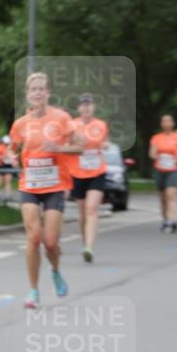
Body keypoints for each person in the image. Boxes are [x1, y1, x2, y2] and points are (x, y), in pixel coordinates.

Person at [9, 72, 82, 308]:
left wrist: (60, 147)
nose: (38, 93)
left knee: (50, 242)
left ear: (48, 93)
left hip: (55, 186)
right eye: (33, 89)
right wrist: (11, 157)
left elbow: (80, 146)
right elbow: (12, 148)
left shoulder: (61, 118)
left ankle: (56, 270)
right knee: (33, 237)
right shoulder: (21, 124)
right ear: (28, 94)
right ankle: (33, 291)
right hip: (29, 185)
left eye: (42, 89)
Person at [69, 94, 109, 262]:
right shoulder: (71, 125)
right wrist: (76, 145)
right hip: (77, 173)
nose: (86, 108)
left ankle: (89, 248)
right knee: (82, 213)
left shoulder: (101, 125)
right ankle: (84, 242)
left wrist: (105, 145)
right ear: (79, 108)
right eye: (83, 105)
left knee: (92, 208)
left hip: (97, 172)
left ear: (94, 107)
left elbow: (106, 142)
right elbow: (67, 146)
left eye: (89, 104)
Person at [149, 114, 177, 232]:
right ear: (161, 124)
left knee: (171, 195)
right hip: (160, 170)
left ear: (173, 123)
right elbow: (152, 154)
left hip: (174, 170)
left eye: (169, 121)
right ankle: (165, 220)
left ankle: (172, 221)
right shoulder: (156, 138)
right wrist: (159, 157)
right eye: (164, 121)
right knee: (163, 198)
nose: (166, 123)